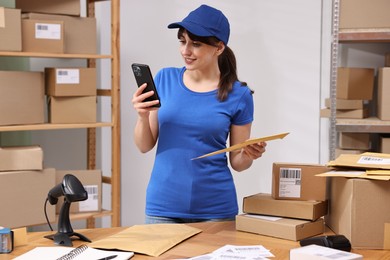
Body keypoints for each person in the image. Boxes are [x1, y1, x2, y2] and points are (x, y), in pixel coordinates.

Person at [132, 4, 267, 224]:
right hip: (162, 208)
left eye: (196, 44)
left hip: (215, 210)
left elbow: (238, 163)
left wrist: (249, 155)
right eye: (182, 41)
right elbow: (144, 145)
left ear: (219, 48)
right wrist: (142, 116)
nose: (186, 50)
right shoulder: (164, 79)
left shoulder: (239, 94)